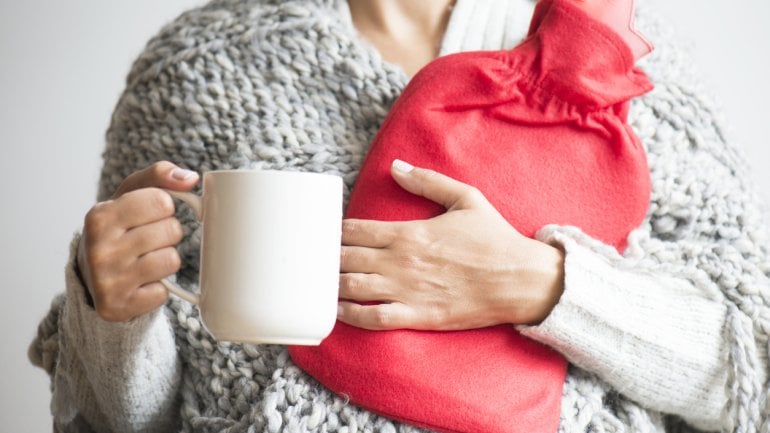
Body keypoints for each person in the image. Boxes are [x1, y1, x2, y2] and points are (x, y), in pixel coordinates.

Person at [28, 0, 770, 432]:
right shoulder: (197, 68)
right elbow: (117, 419)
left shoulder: (617, 56)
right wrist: (113, 317)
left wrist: (541, 285)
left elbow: (752, 368)